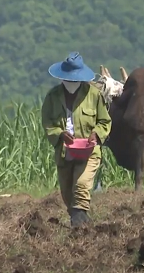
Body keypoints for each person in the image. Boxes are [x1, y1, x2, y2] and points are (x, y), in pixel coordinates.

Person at [41, 52, 111, 228]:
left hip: (89, 150)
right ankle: (81, 223)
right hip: (65, 151)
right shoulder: (53, 97)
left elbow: (104, 121)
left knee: (81, 185)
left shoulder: (94, 95)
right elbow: (47, 122)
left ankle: (79, 226)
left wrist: (96, 133)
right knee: (67, 193)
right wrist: (59, 133)